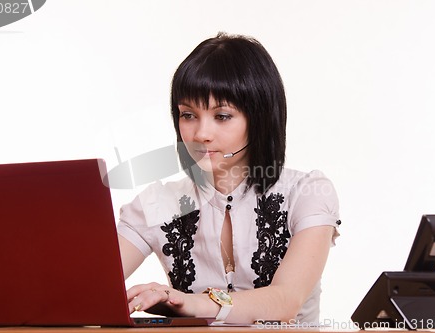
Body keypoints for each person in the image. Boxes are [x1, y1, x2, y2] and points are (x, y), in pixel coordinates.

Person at [117, 32, 340, 325]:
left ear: (259, 118)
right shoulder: (158, 202)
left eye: (222, 116)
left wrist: (189, 302)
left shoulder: (307, 192)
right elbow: (87, 284)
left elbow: (286, 301)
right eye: (188, 114)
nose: (200, 134)